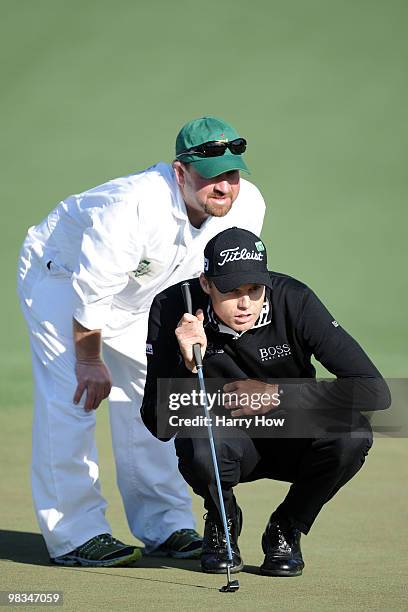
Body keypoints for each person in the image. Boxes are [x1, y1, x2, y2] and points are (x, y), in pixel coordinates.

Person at [16, 117, 266, 566]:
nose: (224, 186)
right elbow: (90, 292)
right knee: (74, 398)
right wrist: (89, 361)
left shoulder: (248, 207)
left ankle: (165, 525)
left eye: (232, 174)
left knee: (156, 396)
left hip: (144, 292)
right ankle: (75, 535)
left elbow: (220, 280)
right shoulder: (132, 208)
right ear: (180, 173)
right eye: (210, 175)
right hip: (61, 278)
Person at [141, 227, 391, 576]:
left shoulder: (295, 300)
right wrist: (185, 363)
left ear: (267, 282)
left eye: (255, 290)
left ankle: (287, 526)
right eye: (230, 291)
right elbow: (158, 425)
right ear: (206, 283)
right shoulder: (172, 309)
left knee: (353, 434)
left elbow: (374, 391)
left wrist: (279, 395)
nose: (245, 303)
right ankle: (223, 519)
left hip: (292, 434)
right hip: (225, 442)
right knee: (197, 440)